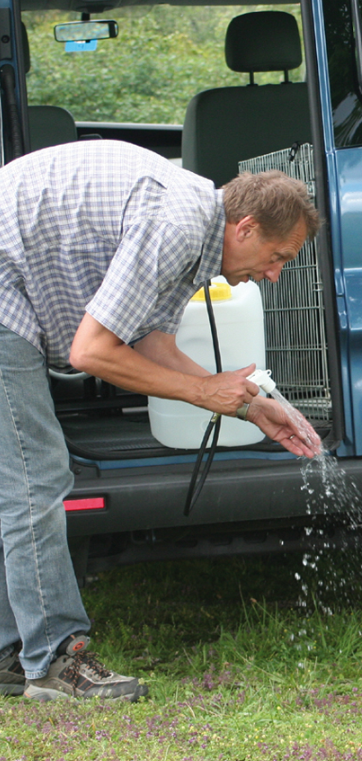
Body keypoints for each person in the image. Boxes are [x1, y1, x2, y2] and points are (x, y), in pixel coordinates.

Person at [0, 139, 322, 701]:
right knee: (37, 479)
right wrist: (202, 390)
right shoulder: (176, 223)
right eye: (278, 257)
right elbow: (92, 353)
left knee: (15, 485)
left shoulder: (195, 230)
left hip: (14, 289)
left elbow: (150, 342)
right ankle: (54, 660)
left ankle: (10, 652)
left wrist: (250, 404)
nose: (274, 276)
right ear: (245, 227)